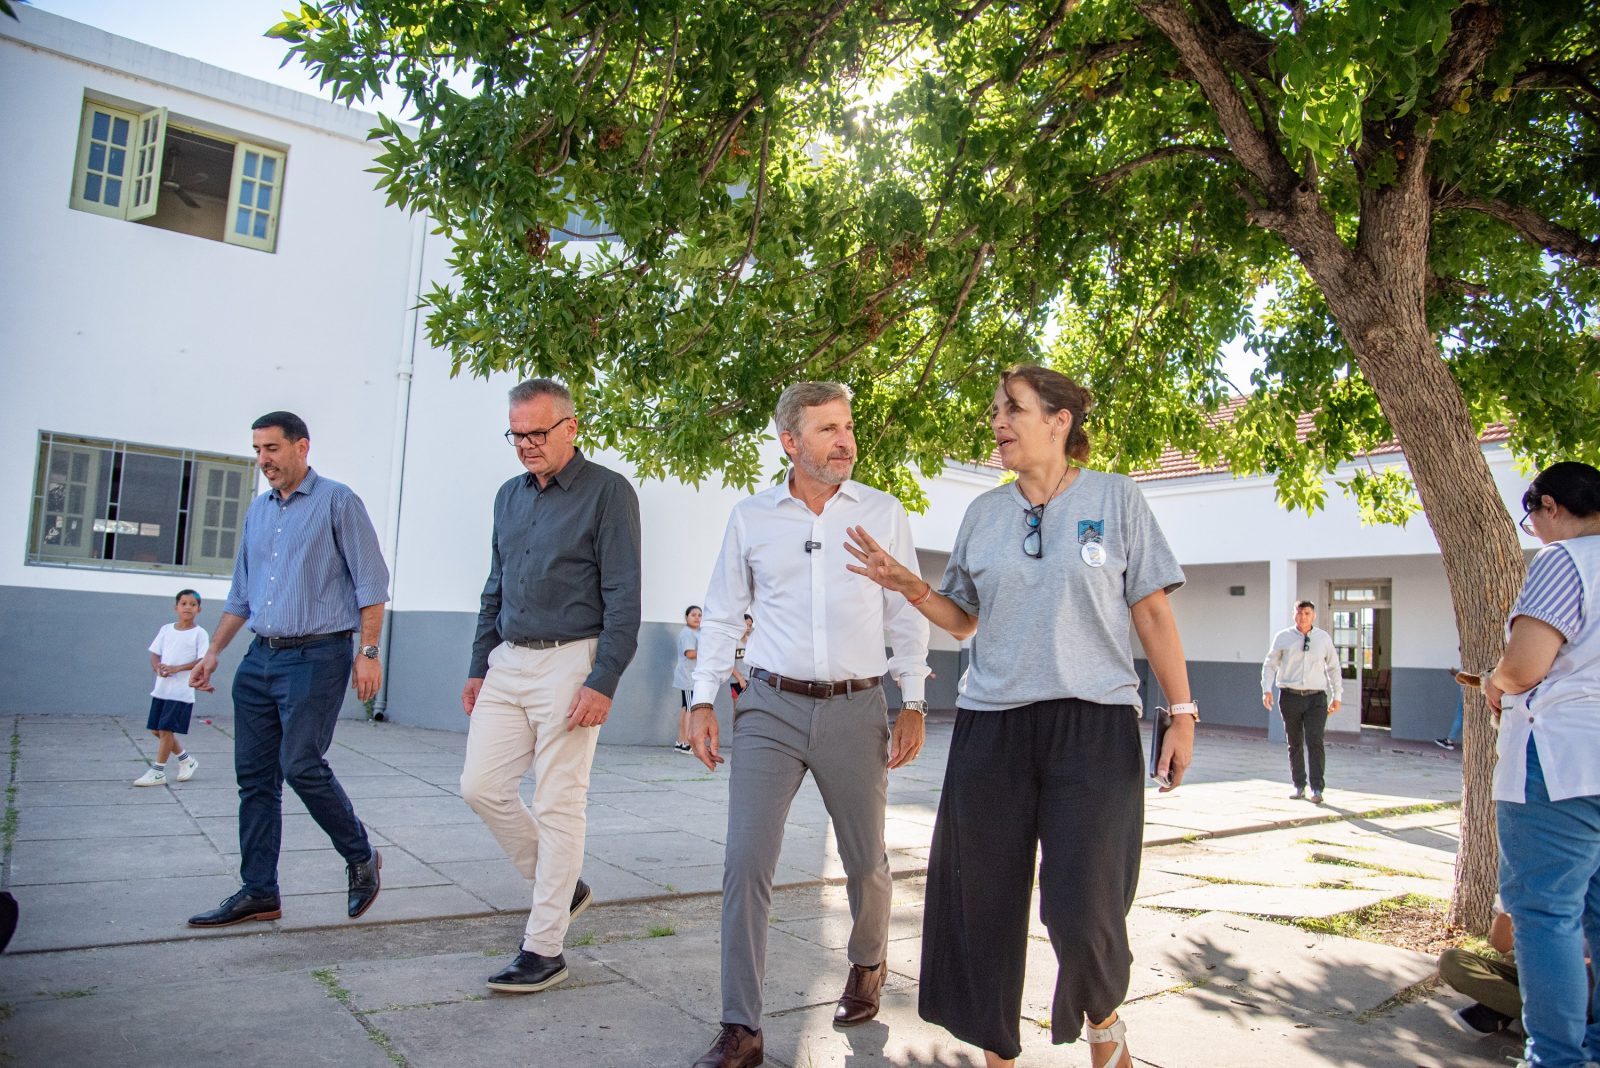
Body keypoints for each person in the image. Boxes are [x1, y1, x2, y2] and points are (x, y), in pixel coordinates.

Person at [845, 365, 1194, 1068]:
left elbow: (1152, 611)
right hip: (992, 725)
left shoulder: (1117, 498)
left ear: (1060, 421)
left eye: (1013, 409)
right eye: (996, 411)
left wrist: (1181, 710)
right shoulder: (984, 514)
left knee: (1084, 903)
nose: (998, 422)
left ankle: (1103, 1021)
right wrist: (909, 586)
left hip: (1092, 725)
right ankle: (996, 1053)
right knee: (982, 900)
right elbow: (963, 620)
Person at [685, 381, 930, 1068]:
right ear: (790, 441)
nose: (845, 440)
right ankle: (742, 1027)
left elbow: (906, 612)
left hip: (858, 707)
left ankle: (868, 961)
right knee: (745, 861)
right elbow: (723, 614)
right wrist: (702, 700)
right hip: (770, 706)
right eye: (828, 429)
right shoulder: (752, 518)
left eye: (847, 426)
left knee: (866, 862)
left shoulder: (883, 512)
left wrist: (913, 699)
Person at [460, 378, 642, 994]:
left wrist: (603, 679)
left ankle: (544, 949)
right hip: (509, 659)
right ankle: (565, 887)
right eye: (516, 434)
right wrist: (478, 665)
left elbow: (624, 595)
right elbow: (495, 585)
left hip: (572, 661)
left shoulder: (608, 492)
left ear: (570, 427)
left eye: (537, 432)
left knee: (558, 803)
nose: (526, 445)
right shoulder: (508, 497)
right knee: (480, 786)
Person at [187, 411, 388, 928]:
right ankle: (259, 891)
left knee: (300, 764)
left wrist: (368, 653)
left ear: (302, 447)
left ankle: (361, 855)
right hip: (260, 658)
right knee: (254, 780)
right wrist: (213, 651)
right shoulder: (258, 511)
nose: (263, 460)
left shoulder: (338, 501)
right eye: (257, 450)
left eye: (272, 448)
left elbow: (371, 583)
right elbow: (241, 594)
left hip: (317, 656)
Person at [1485, 461, 1600, 1068]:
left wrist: (1494, 679)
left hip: (1562, 761)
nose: (1534, 531)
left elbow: (1526, 665)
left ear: (1550, 505)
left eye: (1532, 518)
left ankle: (1555, 1058)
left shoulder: (1566, 560)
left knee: (1546, 912)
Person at [1261, 600, 1342, 803]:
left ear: (1313, 615)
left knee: (1315, 741)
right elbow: (1270, 664)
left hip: (1316, 698)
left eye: (1307, 613)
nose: (1303, 617)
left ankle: (1317, 788)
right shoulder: (1283, 637)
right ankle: (1299, 785)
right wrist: (1266, 689)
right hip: (1290, 696)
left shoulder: (1323, 638)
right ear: (1294, 615)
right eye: (1299, 613)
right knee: (1294, 743)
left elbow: (1333, 667)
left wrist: (1337, 695)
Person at [134, 589, 207, 787]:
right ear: (176, 607)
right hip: (162, 689)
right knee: (156, 730)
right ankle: (186, 760)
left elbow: (202, 660)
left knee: (165, 729)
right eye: (183, 603)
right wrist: (158, 667)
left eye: (193, 604)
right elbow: (155, 654)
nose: (188, 607)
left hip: (181, 691)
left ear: (199, 609)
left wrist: (177, 668)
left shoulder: (199, 633)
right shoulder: (166, 629)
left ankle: (158, 771)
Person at [1439, 909, 1520, 1037]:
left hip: (1553, 981)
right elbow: (1502, 945)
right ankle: (1520, 1008)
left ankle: (1505, 1009)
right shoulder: (1521, 899)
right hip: (1522, 972)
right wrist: (1510, 913)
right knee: (1451, 960)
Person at [672, 605, 702, 753]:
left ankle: (680, 741)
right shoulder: (688, 633)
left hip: (690, 676)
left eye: (699, 615)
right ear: (686, 617)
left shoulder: (696, 632)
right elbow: (690, 654)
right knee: (690, 709)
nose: (697, 618)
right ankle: (687, 743)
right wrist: (707, 651)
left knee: (686, 708)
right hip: (688, 676)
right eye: (693, 615)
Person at [1436, 668, 1465, 750]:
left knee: (1459, 716)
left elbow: (1465, 677)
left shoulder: (1467, 662)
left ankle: (1449, 740)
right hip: (1467, 691)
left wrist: (1456, 674)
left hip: (1465, 692)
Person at [729, 614, 753, 701]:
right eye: (746, 625)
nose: (748, 628)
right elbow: (729, 664)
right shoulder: (733, 641)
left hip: (750, 680)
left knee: (749, 706)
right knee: (737, 706)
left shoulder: (751, 641)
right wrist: (740, 679)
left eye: (750, 625)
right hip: (736, 681)